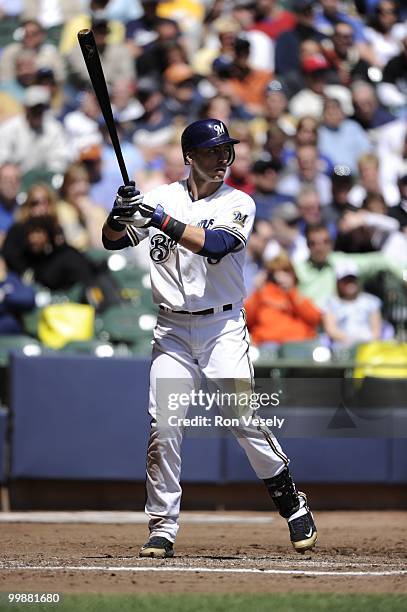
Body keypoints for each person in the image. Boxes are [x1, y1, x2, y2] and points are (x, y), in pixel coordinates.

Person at [102, 118, 318, 558]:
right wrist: (119, 212)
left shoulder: (239, 201)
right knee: (164, 424)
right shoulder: (160, 196)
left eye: (226, 150)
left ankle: (291, 501)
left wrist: (158, 219)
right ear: (189, 157)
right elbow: (112, 242)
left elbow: (217, 244)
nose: (223, 158)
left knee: (241, 419)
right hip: (172, 330)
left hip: (222, 328)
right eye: (212, 151)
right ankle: (162, 525)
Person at [245, 252, 321, 346]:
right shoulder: (262, 293)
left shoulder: (298, 294)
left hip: (298, 346)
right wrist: (257, 291)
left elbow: (314, 319)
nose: (280, 277)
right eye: (275, 272)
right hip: (267, 346)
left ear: (293, 274)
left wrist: (291, 291)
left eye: (285, 271)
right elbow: (247, 319)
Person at [322, 261, 382, 347]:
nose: (349, 283)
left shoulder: (371, 301)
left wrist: (365, 342)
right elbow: (331, 329)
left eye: (352, 279)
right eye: (345, 280)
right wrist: (351, 340)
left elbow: (376, 331)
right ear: (338, 282)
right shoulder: (330, 303)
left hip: (368, 348)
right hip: (341, 349)